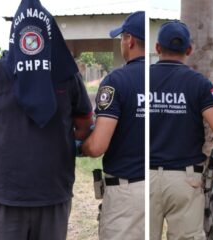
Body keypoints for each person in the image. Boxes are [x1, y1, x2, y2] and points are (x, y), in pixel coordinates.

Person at [0, 0, 93, 239]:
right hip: (2, 198)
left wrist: (57, 147)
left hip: (53, 196)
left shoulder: (67, 78)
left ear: (49, 35)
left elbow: (84, 126)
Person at [149, 20, 213, 240]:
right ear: (189, 50)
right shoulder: (199, 84)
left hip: (143, 177)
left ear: (157, 48)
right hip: (185, 180)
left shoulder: (138, 80)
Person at [81, 11, 145, 240]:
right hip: (159, 187)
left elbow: (98, 146)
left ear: (130, 40)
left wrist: (80, 146)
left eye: (121, 38)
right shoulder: (164, 80)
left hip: (127, 192)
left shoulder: (115, 81)